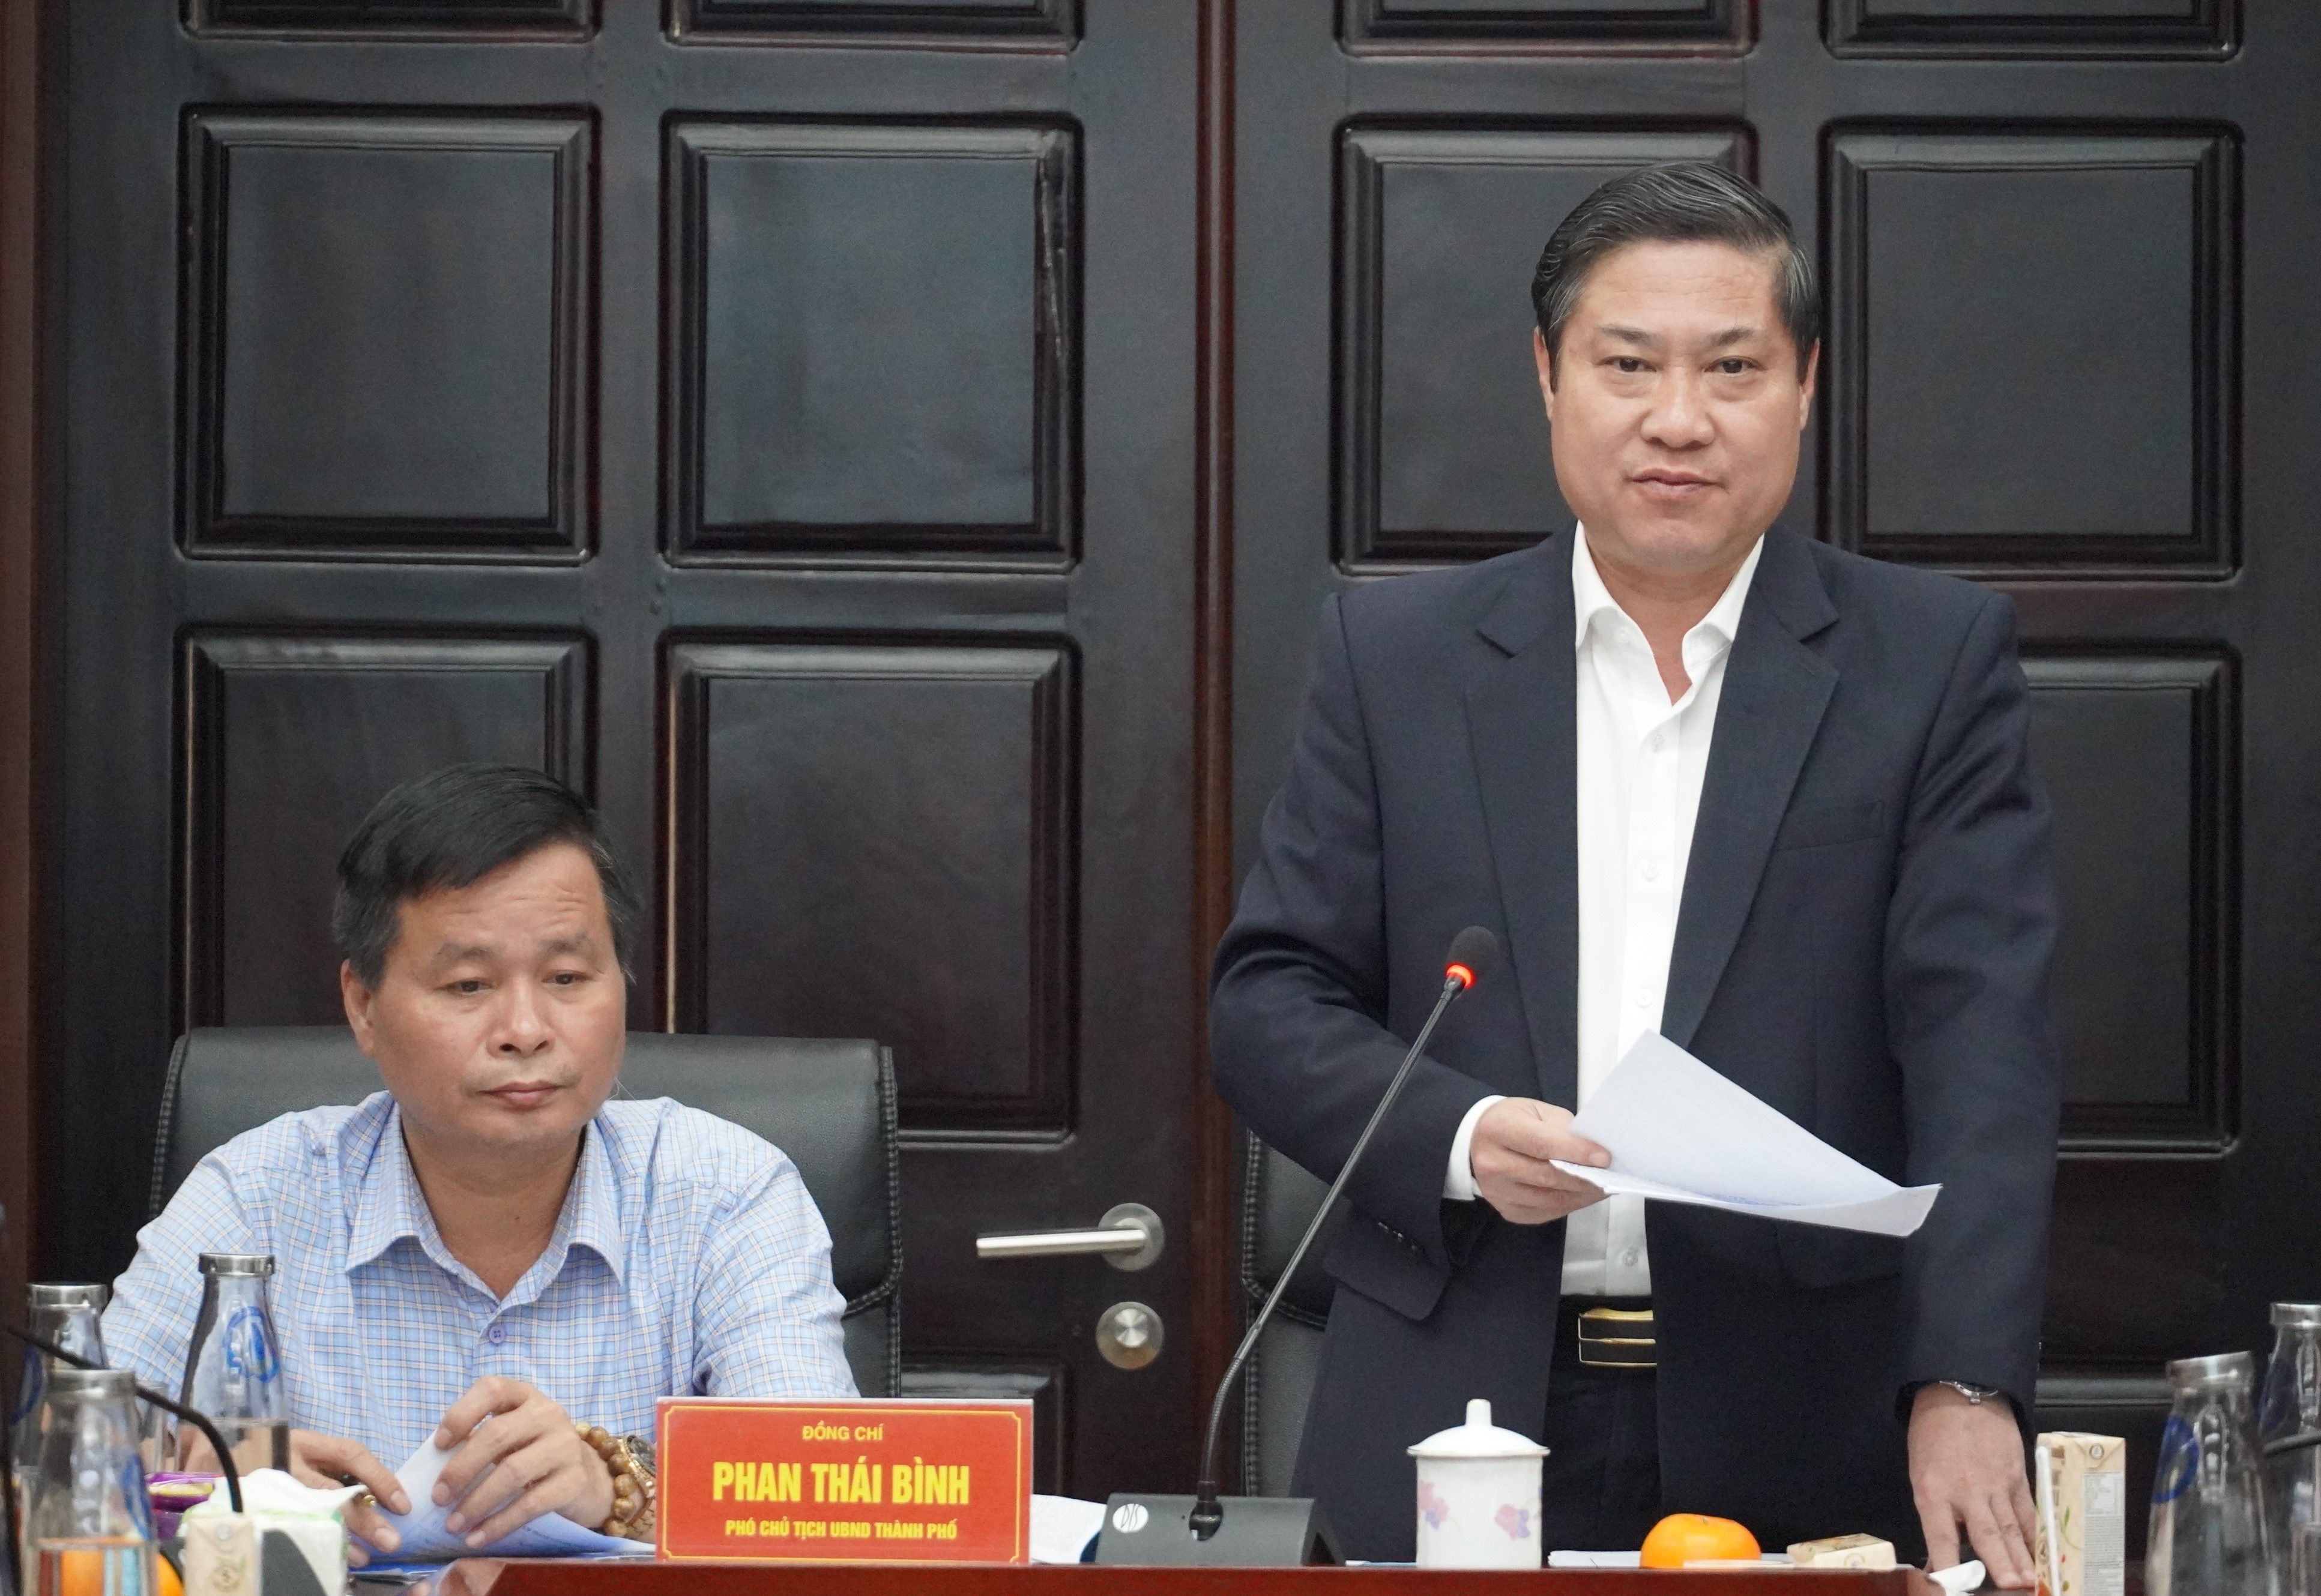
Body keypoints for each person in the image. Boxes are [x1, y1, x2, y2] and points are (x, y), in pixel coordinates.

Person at [1211, 163, 2059, 1572]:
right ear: (1548, 376)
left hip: (1805, 1419)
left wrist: (1964, 1380)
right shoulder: (1399, 659)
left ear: (1803, 386)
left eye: (1731, 367)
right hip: (1453, 1411)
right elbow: (1267, 1001)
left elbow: (1984, 1046)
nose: (1678, 418)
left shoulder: (1926, 666)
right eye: (1626, 364)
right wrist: (1460, 1132)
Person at [105, 763, 856, 1564]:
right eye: (469, 985)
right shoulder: (254, 1197)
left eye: (567, 978)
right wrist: (199, 1484)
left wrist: (620, 1489)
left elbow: (820, 1497)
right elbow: (77, 1463)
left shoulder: (728, 1193)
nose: (525, 1029)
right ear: (363, 1005)